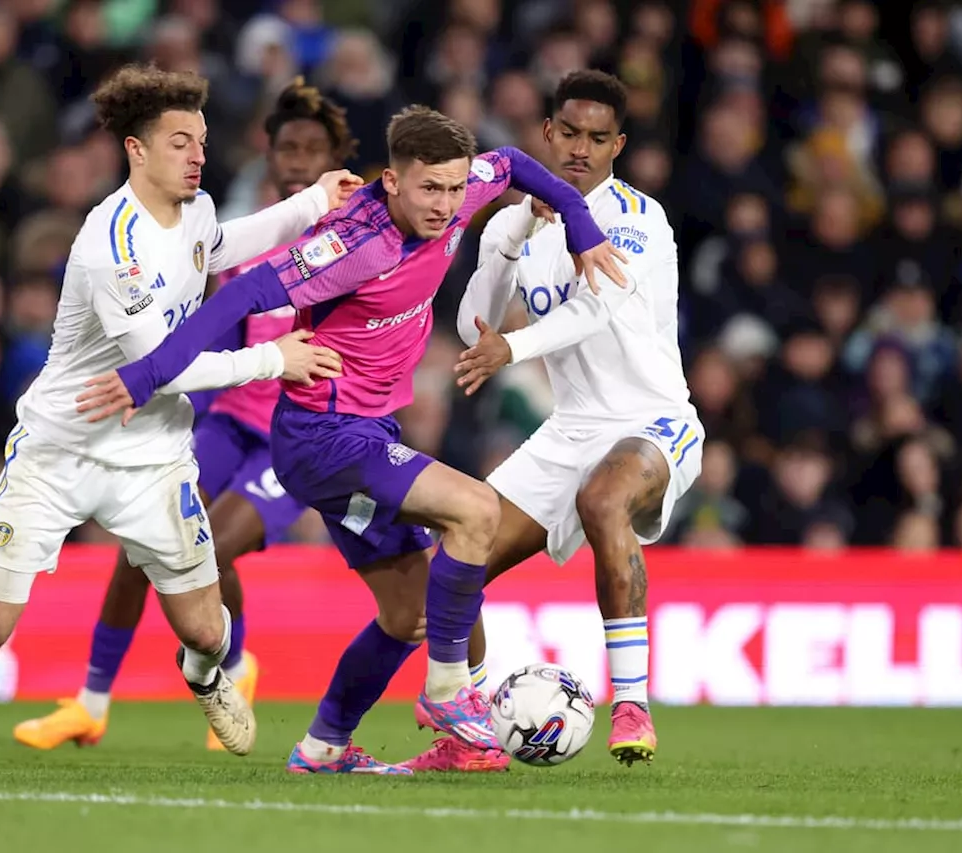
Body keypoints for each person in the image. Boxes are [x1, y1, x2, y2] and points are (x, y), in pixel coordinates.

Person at [77, 106, 626, 774]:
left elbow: (512, 162)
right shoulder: (351, 244)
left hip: (367, 430)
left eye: (455, 189)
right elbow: (242, 294)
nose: (446, 204)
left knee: (407, 615)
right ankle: (451, 691)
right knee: (477, 510)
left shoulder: (464, 189)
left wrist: (580, 222)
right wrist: (146, 375)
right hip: (321, 435)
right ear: (392, 181)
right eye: (429, 189)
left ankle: (323, 747)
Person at [0, 65, 360, 771]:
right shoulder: (111, 244)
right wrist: (272, 361)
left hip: (152, 456)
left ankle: (205, 675)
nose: (198, 154)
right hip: (61, 452)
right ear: (136, 150)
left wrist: (311, 201)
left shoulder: (197, 210)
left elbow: (226, 243)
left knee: (209, 631)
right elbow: (164, 365)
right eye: (181, 141)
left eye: (202, 140)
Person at [11, 78, 359, 753]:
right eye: (287, 147)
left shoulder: (356, 235)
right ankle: (89, 702)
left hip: (302, 430)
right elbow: (214, 329)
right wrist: (162, 390)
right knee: (143, 542)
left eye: (312, 150)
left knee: (208, 545)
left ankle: (233, 669)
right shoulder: (238, 233)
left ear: (334, 158)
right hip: (232, 415)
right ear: (269, 153)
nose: (296, 161)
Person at [404, 70, 702, 772]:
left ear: (617, 145)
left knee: (604, 499)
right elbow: (469, 319)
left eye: (599, 138)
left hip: (654, 422)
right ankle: (472, 734)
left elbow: (594, 305)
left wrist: (512, 347)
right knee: (452, 561)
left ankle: (631, 701)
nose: (580, 149)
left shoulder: (637, 218)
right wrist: (506, 238)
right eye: (569, 133)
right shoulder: (516, 222)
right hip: (573, 428)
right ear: (547, 134)